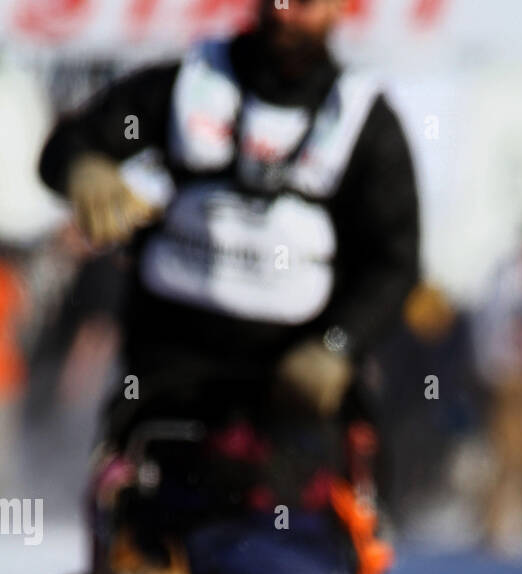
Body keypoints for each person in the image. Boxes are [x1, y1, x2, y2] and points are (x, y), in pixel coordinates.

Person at [39, 0, 419, 469]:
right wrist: (83, 168)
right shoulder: (189, 83)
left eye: (301, 4)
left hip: (294, 376)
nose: (283, 13)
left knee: (329, 494)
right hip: (170, 373)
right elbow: (70, 142)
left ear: (339, 8)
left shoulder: (365, 122)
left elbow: (395, 261)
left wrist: (336, 345)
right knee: (136, 496)